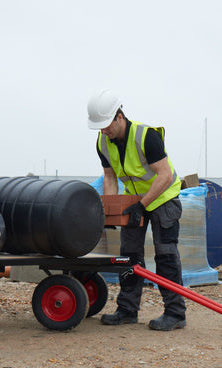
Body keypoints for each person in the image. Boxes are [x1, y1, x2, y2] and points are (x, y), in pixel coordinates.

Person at [87, 89, 186, 331]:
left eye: (107, 125)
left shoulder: (146, 136)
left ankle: (175, 313)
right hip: (134, 202)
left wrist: (142, 205)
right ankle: (127, 310)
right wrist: (110, 210)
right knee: (128, 256)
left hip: (163, 197)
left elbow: (166, 175)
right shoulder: (103, 142)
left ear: (119, 116)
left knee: (166, 255)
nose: (104, 131)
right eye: (99, 127)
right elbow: (109, 177)